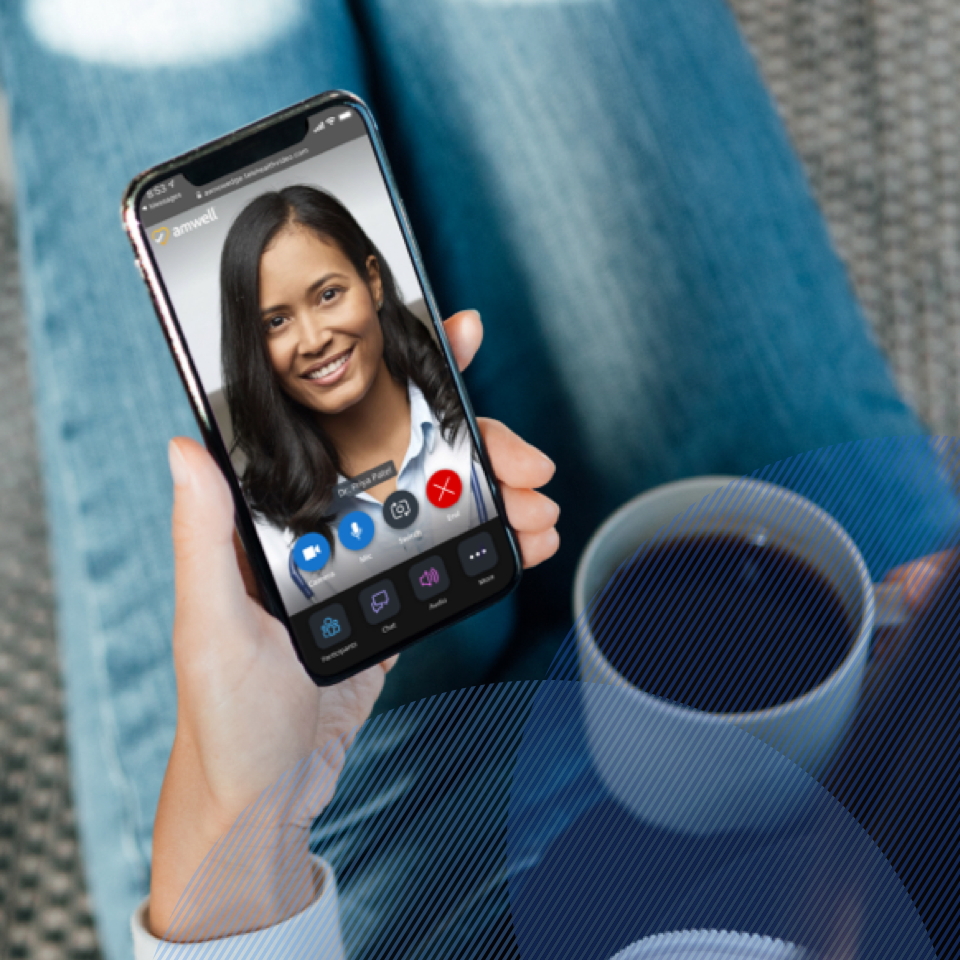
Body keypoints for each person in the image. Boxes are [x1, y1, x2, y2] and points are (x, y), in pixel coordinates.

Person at [0, 0, 958, 957]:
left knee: (158, 33)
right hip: (872, 679)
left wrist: (244, 822)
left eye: (328, 295)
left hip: (375, 857)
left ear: (372, 284)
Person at [220, 186, 496, 610]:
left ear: (373, 282)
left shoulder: (469, 422)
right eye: (276, 322)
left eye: (329, 295)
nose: (313, 341)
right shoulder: (266, 528)